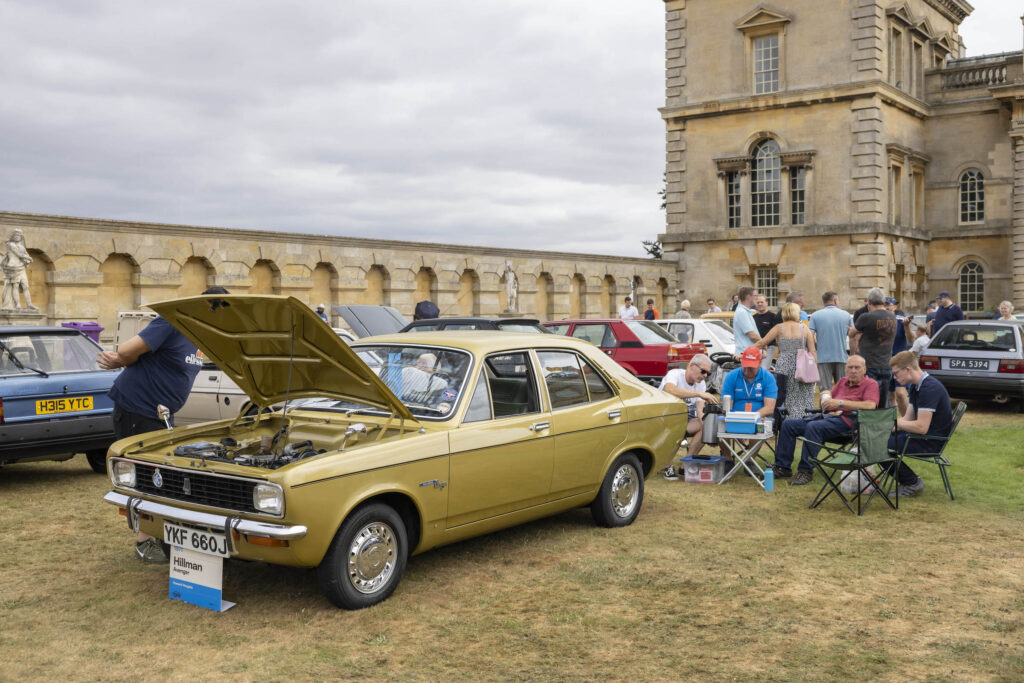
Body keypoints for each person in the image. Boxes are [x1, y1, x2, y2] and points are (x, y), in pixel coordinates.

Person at [97, 285, 230, 563]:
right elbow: (128, 349)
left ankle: (159, 536)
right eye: (220, 311)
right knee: (148, 477)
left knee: (161, 476)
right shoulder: (172, 322)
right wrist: (120, 360)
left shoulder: (200, 336)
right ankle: (145, 544)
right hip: (137, 408)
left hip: (160, 414)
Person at [771, 355, 880, 486]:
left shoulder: (870, 384)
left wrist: (840, 403)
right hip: (828, 419)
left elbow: (870, 406)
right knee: (789, 424)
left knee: (814, 426)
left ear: (864, 369)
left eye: (857, 367)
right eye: (850, 367)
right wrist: (825, 395)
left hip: (849, 424)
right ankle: (782, 467)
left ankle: (805, 471)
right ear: (846, 369)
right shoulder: (842, 382)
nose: (853, 370)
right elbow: (830, 396)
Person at [885, 350, 954, 498]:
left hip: (930, 442)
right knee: (879, 439)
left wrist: (897, 425)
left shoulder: (929, 388)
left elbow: (922, 428)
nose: (895, 377)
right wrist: (887, 426)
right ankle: (910, 481)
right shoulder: (917, 386)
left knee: (879, 448)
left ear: (908, 369)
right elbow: (908, 418)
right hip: (922, 436)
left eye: (896, 373)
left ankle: (912, 483)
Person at [658, 354, 718, 474]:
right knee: (671, 426)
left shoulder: (701, 383)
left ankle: (686, 463)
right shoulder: (675, 374)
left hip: (683, 420)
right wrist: (698, 394)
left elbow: (700, 411)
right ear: (691, 366)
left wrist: (710, 432)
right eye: (703, 371)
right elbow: (670, 390)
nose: (705, 376)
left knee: (705, 426)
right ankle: (667, 464)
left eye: (708, 373)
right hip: (662, 420)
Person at [755, 302, 817, 417]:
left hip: (783, 365)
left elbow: (762, 342)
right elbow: (812, 351)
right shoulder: (805, 329)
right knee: (804, 394)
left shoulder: (779, 328)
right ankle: (804, 417)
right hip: (802, 365)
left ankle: (786, 419)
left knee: (785, 393)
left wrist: (747, 350)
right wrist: (814, 367)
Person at [719, 347, 777, 462]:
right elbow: (726, 405)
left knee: (760, 424)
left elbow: (769, 408)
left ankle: (750, 461)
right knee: (719, 422)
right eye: (745, 365)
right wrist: (738, 421)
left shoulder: (768, 377)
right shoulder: (732, 376)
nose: (747, 370)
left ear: (760, 363)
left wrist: (748, 420)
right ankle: (727, 458)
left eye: (751, 367)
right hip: (735, 416)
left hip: (759, 417)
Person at [849, 287, 897, 407]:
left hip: (869, 365)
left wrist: (854, 331)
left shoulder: (866, 317)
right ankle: (884, 423)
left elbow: (851, 334)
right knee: (884, 401)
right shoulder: (892, 317)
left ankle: (869, 424)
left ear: (869, 302)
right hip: (886, 363)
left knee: (868, 400)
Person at [809, 290, 853, 391]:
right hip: (841, 357)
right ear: (836, 301)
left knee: (824, 390)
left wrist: (813, 353)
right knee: (843, 389)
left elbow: (810, 335)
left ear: (823, 301)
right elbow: (853, 336)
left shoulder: (815, 315)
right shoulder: (846, 315)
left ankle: (825, 407)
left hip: (823, 358)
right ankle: (841, 407)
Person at [885, 297, 912, 416]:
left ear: (895, 307)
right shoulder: (879, 320)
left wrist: (907, 326)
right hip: (885, 361)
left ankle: (908, 420)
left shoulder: (901, 320)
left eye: (889, 305)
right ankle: (895, 421)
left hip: (899, 361)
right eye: (884, 304)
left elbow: (911, 340)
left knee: (900, 393)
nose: (887, 307)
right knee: (890, 394)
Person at [1, 228, 37, 312]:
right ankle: (17, 304)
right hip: (13, 268)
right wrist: (29, 258)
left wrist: (27, 259)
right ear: (13, 236)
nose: (18, 237)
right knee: (15, 286)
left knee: (25, 286)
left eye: (19, 235)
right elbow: (19, 254)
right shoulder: (10, 244)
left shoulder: (21, 246)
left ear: (21, 237)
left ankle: (29, 304)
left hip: (21, 268)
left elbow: (25, 254)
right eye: (16, 235)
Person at [752, 294, 780, 369]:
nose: (760, 304)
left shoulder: (773, 317)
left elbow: (778, 334)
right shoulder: (753, 318)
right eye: (758, 302)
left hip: (769, 347)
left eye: (762, 302)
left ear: (766, 303)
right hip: (756, 347)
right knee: (754, 369)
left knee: (763, 369)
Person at [731, 286, 760, 355]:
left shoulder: (746, 311)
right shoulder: (742, 312)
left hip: (749, 354)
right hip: (746, 355)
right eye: (755, 295)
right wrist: (763, 344)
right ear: (748, 297)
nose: (757, 298)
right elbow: (752, 335)